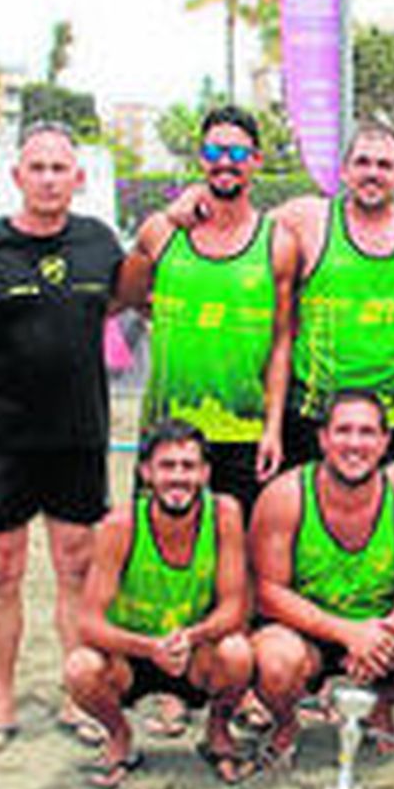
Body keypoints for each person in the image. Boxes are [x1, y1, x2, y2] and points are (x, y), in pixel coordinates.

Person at [0, 120, 126, 753]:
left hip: (77, 435)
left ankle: (77, 698)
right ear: (17, 176)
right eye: (36, 168)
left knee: (76, 566)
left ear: (79, 178)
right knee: (0, 569)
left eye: (59, 168)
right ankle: (1, 704)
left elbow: (133, 298)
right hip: (0, 439)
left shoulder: (99, 243)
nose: (47, 179)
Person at [249, 389, 394, 764]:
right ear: (323, 439)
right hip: (309, 632)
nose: (354, 444)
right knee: (273, 659)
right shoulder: (285, 496)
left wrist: (383, 631)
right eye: (343, 431)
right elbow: (269, 592)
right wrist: (348, 634)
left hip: (381, 632)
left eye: (367, 432)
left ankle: (379, 703)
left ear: (385, 442)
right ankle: (286, 722)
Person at [117, 104, 297, 514]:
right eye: (215, 152)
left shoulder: (278, 243)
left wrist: (273, 429)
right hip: (167, 431)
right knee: (162, 546)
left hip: (243, 432)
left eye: (237, 153)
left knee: (242, 547)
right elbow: (127, 295)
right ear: (201, 159)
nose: (225, 163)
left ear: (256, 161)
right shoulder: (161, 232)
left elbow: (281, 342)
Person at [63, 420, 256, 789]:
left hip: (193, 650)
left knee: (238, 653)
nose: (178, 477)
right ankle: (120, 736)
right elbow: (88, 623)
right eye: (167, 466)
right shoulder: (121, 525)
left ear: (205, 473)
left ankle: (217, 731)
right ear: (146, 473)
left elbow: (234, 609)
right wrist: (149, 648)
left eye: (188, 466)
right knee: (80, 668)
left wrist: (192, 636)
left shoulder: (224, 514)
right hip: (133, 654)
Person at [274, 123, 394, 470]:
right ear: (344, 172)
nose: (372, 173)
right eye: (362, 163)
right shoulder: (308, 218)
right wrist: (192, 206)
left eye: (384, 165)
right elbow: (242, 234)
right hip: (318, 416)